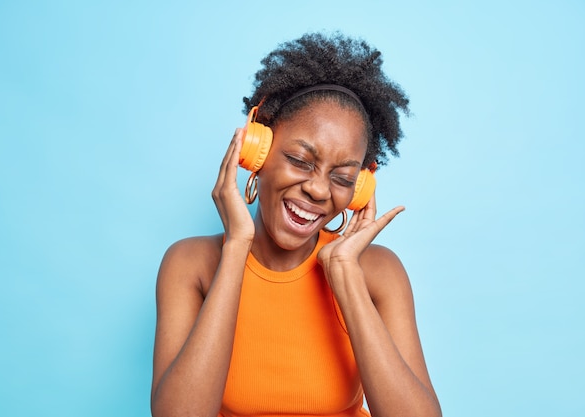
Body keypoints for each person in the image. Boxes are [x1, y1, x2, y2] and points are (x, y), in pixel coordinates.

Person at [150, 32, 441, 417]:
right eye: (301, 161)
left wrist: (344, 274)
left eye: (341, 177)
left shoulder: (378, 272)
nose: (319, 189)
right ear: (259, 151)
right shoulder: (190, 264)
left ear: (360, 188)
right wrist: (236, 247)